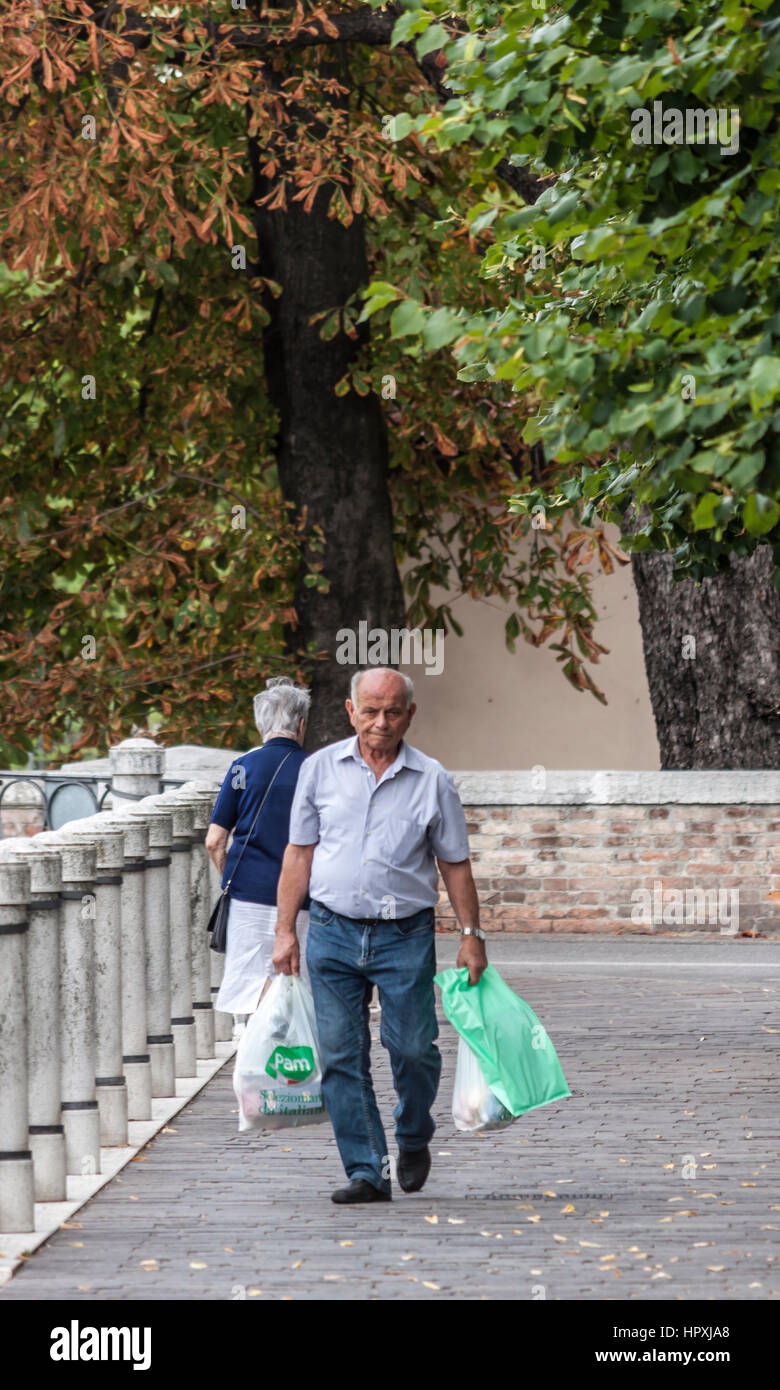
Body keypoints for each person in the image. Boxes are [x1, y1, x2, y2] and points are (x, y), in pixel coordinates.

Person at [272, 665, 487, 1204]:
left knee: (413, 1049)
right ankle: (367, 1168)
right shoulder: (319, 770)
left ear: (410, 715)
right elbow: (298, 853)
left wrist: (471, 934)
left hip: (404, 936)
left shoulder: (433, 779)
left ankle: (414, 1135)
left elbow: (454, 863)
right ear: (350, 711)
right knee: (343, 1057)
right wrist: (284, 931)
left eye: (393, 711)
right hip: (330, 931)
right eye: (370, 711)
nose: (381, 722)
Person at [206, 677, 311, 1037]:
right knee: (295, 988)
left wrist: (230, 881)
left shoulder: (241, 769)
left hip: (248, 895)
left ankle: (250, 1069)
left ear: (260, 723)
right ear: (301, 724)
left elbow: (214, 841)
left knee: (249, 992)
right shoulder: (316, 770)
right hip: (301, 899)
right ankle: (291, 1075)